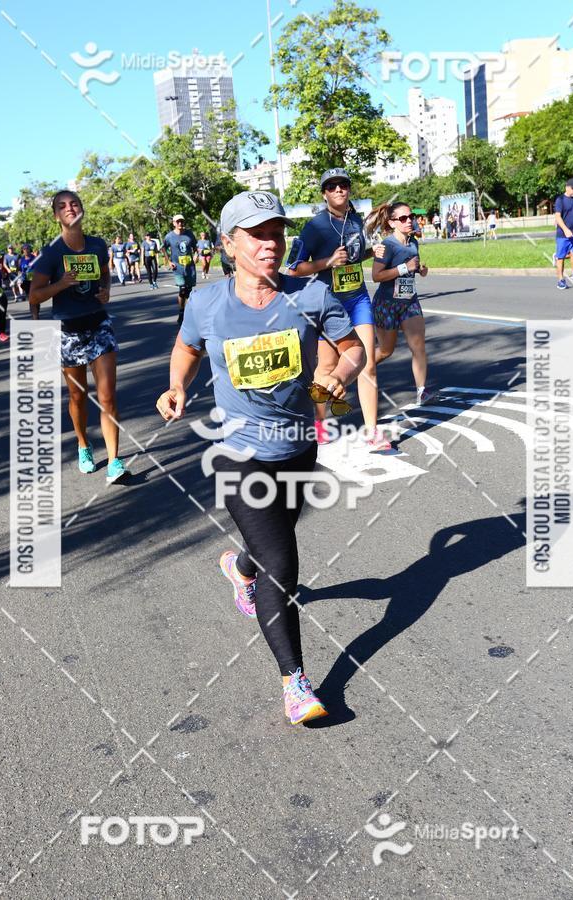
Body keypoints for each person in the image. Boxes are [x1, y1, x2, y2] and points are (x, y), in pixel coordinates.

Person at [156, 191, 365, 724]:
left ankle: (237, 568)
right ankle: (296, 682)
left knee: (270, 546)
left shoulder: (311, 295)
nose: (269, 243)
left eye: (275, 232)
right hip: (237, 452)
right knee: (282, 562)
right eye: (255, 234)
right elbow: (186, 346)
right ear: (229, 245)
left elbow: (354, 349)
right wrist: (177, 385)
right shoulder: (205, 303)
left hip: (299, 444)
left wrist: (336, 376)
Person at [286, 167, 390, 450]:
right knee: (328, 367)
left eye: (343, 185)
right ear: (324, 194)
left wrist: (372, 253)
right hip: (327, 305)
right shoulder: (315, 226)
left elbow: (354, 257)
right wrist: (326, 263)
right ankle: (319, 424)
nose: (338, 190)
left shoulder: (355, 221)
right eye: (331, 187)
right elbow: (293, 269)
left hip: (357, 300)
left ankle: (372, 431)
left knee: (366, 361)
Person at [29, 190, 128, 482]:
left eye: (74, 204)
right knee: (78, 396)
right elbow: (34, 295)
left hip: (99, 325)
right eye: (62, 206)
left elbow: (105, 271)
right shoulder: (51, 253)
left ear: (83, 209)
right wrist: (61, 284)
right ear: (56, 216)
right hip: (68, 331)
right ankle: (84, 444)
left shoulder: (97, 245)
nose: (69, 208)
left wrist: (106, 290)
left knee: (107, 395)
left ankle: (114, 461)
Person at [366, 200, 434, 406]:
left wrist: (420, 270)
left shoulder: (413, 242)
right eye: (403, 218)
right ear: (392, 222)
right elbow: (376, 276)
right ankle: (363, 368)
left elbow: (413, 265)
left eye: (411, 217)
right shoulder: (387, 246)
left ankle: (422, 391)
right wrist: (405, 268)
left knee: (418, 346)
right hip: (386, 304)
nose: (409, 221)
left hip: (409, 302)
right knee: (386, 350)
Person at [163, 214, 197, 325]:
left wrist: (196, 255)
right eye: (178, 222)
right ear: (174, 223)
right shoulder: (169, 236)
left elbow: (195, 247)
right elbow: (163, 248)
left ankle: (188, 312)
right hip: (178, 267)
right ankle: (182, 312)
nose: (180, 224)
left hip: (190, 267)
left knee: (189, 291)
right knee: (182, 290)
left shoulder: (189, 234)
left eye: (182, 221)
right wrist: (169, 261)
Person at [18, 244, 38, 318]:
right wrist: (20, 275)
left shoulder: (35, 258)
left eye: (27, 248)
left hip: (35, 281)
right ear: (22, 250)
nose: (26, 250)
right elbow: (19, 270)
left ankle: (35, 312)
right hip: (26, 282)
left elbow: (39, 268)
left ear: (30, 249)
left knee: (35, 299)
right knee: (31, 299)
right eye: (24, 249)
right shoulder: (21, 260)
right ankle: (34, 315)